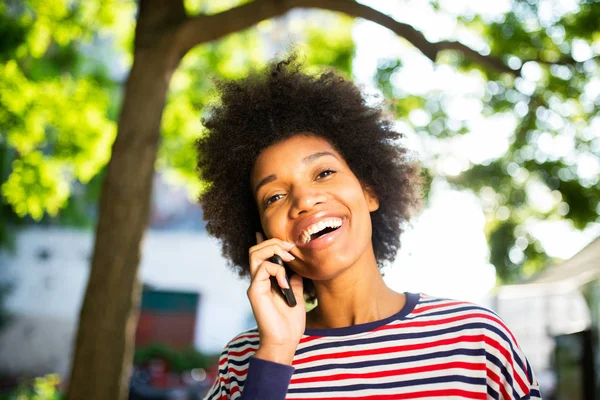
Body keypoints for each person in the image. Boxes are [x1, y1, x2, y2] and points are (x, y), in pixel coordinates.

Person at [195, 55, 542, 400]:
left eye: (324, 173)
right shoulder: (243, 362)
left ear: (370, 191)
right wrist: (276, 352)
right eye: (275, 196)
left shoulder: (477, 340)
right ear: (263, 235)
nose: (303, 200)